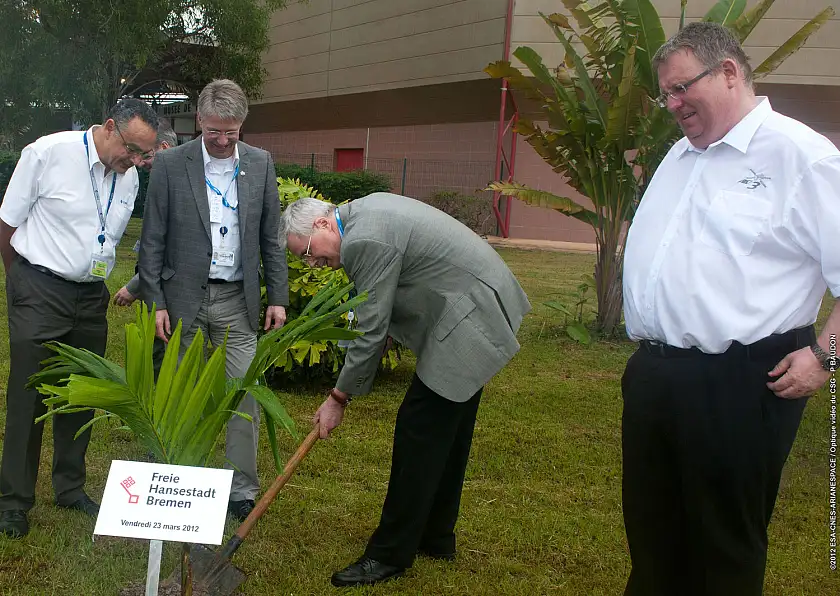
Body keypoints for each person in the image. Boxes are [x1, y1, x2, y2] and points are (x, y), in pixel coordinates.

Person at [621, 22, 840, 596]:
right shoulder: (680, 155)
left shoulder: (802, 156)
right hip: (656, 374)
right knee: (651, 531)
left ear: (728, 72)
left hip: (740, 380)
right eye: (665, 94)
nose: (671, 105)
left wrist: (824, 355)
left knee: (722, 546)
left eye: (679, 89)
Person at [280, 193, 531, 587]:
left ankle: (389, 555)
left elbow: (371, 330)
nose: (313, 263)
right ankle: (436, 537)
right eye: (304, 260)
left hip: (470, 312)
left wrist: (338, 398)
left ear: (322, 225)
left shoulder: (364, 240)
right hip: (477, 299)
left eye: (308, 253)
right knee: (449, 429)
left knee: (420, 429)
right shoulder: (362, 216)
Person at [0, 99, 159, 539]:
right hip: (39, 287)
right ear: (109, 127)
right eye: (132, 150)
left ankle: (69, 488)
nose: (136, 162)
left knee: (80, 394)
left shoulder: (127, 176)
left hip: (91, 296)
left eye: (144, 155)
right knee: (28, 397)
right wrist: (22, 284)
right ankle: (14, 501)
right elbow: (7, 224)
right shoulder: (47, 153)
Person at [138, 79, 288, 522]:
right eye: (214, 131)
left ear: (243, 124)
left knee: (244, 393)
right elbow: (152, 239)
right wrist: (156, 301)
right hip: (183, 297)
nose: (223, 141)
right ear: (199, 120)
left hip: (236, 301)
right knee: (179, 390)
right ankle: (177, 478)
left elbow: (272, 239)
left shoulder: (260, 164)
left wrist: (276, 296)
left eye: (232, 131)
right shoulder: (169, 164)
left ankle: (241, 490)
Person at [113, 118, 177, 309]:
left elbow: (172, 248)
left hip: (172, 294)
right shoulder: (164, 179)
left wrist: (134, 286)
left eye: (146, 155)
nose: (139, 163)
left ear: (164, 147)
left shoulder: (178, 187)